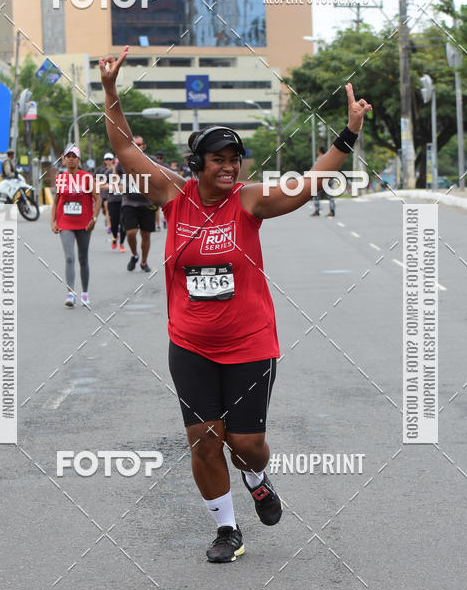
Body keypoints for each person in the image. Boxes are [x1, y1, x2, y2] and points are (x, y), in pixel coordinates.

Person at [100, 47, 371, 563]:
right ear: (197, 164)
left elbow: (308, 184)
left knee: (244, 442)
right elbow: (124, 148)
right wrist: (112, 92)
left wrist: (349, 132)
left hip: (249, 344)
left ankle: (258, 476)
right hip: (191, 345)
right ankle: (227, 529)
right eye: (218, 159)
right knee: (204, 439)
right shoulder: (172, 195)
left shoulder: (250, 200)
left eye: (234, 159)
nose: (228, 167)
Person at [51, 145, 101, 308]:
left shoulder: (87, 177)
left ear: (79, 160)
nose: (71, 158)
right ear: (64, 159)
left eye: (74, 156)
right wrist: (53, 221)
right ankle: (70, 293)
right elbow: (56, 201)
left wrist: (94, 218)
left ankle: (85, 294)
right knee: (69, 258)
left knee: (83, 258)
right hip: (65, 222)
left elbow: (98, 199)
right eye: (68, 156)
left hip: (84, 223)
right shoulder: (60, 178)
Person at [117, 135, 156, 273]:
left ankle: (144, 262)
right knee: (131, 233)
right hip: (129, 202)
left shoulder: (152, 160)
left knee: (146, 235)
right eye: (133, 144)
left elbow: (158, 178)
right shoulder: (122, 161)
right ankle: (134, 255)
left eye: (138, 144)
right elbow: (117, 177)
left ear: (143, 146)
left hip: (147, 203)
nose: (136, 146)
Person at [310, 147, 336, 217]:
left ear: (319, 151)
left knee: (316, 195)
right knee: (330, 196)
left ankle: (317, 210)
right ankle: (332, 210)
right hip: (329, 178)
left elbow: (316, 169)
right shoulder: (329, 158)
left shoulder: (319, 159)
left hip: (321, 180)